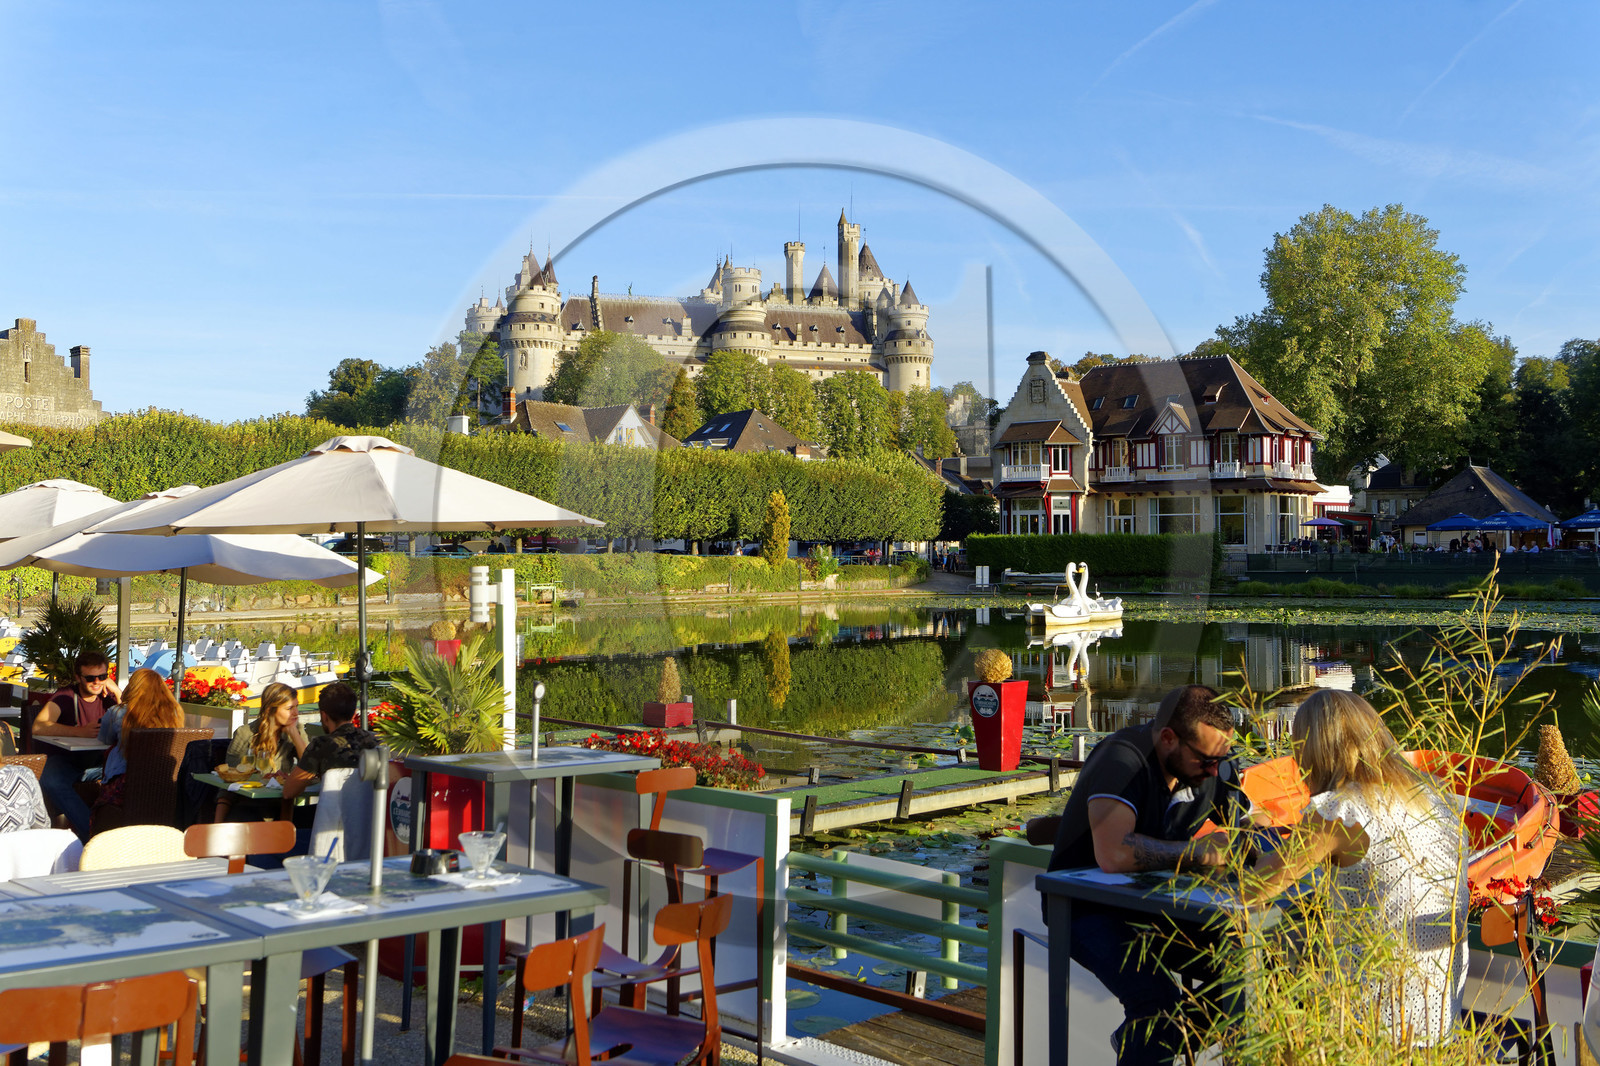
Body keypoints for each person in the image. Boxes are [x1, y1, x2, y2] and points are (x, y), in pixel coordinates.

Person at [1245, 690, 1468, 1047]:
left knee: (1266, 999)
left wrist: (1229, 850)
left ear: (1312, 753)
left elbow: (1257, 887)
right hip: (1438, 1013)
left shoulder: (1340, 810)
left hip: (1374, 1023)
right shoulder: (1434, 798)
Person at [1047, 685, 1249, 1065]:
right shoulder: (1121, 759)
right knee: (1156, 1006)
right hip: (1084, 909)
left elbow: (1246, 829)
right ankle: (1150, 1037)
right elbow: (1114, 853)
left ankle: (1142, 1042)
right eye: (1205, 760)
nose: (1213, 773)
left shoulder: (1214, 766)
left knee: (1253, 971)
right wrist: (1200, 853)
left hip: (1154, 907)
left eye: (1221, 760)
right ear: (1169, 739)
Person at [34, 651, 122, 838]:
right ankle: (94, 834)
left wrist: (118, 692)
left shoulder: (109, 698)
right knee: (51, 780)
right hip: (66, 761)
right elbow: (38, 726)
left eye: (102, 677)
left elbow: (134, 723)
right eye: (90, 678)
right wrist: (78, 731)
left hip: (100, 763)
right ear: (78, 677)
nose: (97, 682)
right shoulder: (65, 695)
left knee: (134, 770)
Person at [90, 667, 185, 819]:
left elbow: (105, 739)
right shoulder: (175, 712)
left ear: (132, 687)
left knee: (85, 778)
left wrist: (117, 692)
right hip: (165, 785)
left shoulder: (117, 712)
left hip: (125, 786)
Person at [215, 681, 309, 822]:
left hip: (281, 803)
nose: (296, 713)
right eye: (290, 708)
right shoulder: (245, 733)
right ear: (272, 709)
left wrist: (294, 734)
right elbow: (230, 777)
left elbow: (309, 764)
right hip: (247, 803)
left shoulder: (296, 731)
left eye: (297, 707)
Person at [280, 682, 378, 802]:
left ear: (324, 716)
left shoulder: (321, 746)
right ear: (354, 713)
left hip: (331, 817)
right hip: (368, 817)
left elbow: (288, 792)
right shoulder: (374, 742)